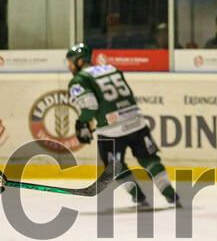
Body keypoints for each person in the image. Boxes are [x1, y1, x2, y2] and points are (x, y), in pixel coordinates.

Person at [66, 43, 180, 208]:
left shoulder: (79, 79)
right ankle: (170, 194)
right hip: (136, 120)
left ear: (79, 61)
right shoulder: (111, 68)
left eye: (70, 61)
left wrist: (83, 121)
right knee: (150, 160)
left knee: (114, 166)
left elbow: (90, 106)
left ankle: (137, 195)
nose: (69, 66)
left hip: (111, 129)